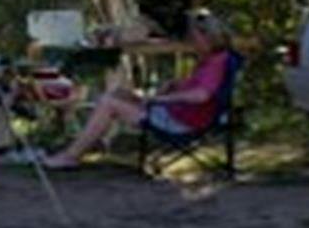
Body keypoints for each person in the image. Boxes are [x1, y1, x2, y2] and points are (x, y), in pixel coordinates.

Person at [42, 10, 235, 170]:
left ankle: (71, 156)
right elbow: (198, 87)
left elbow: (201, 95)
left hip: (181, 121)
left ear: (208, 38)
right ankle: (80, 148)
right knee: (117, 94)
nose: (190, 42)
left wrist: (160, 99)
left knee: (109, 103)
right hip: (178, 112)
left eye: (194, 38)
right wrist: (174, 86)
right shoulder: (214, 59)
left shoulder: (216, 63)